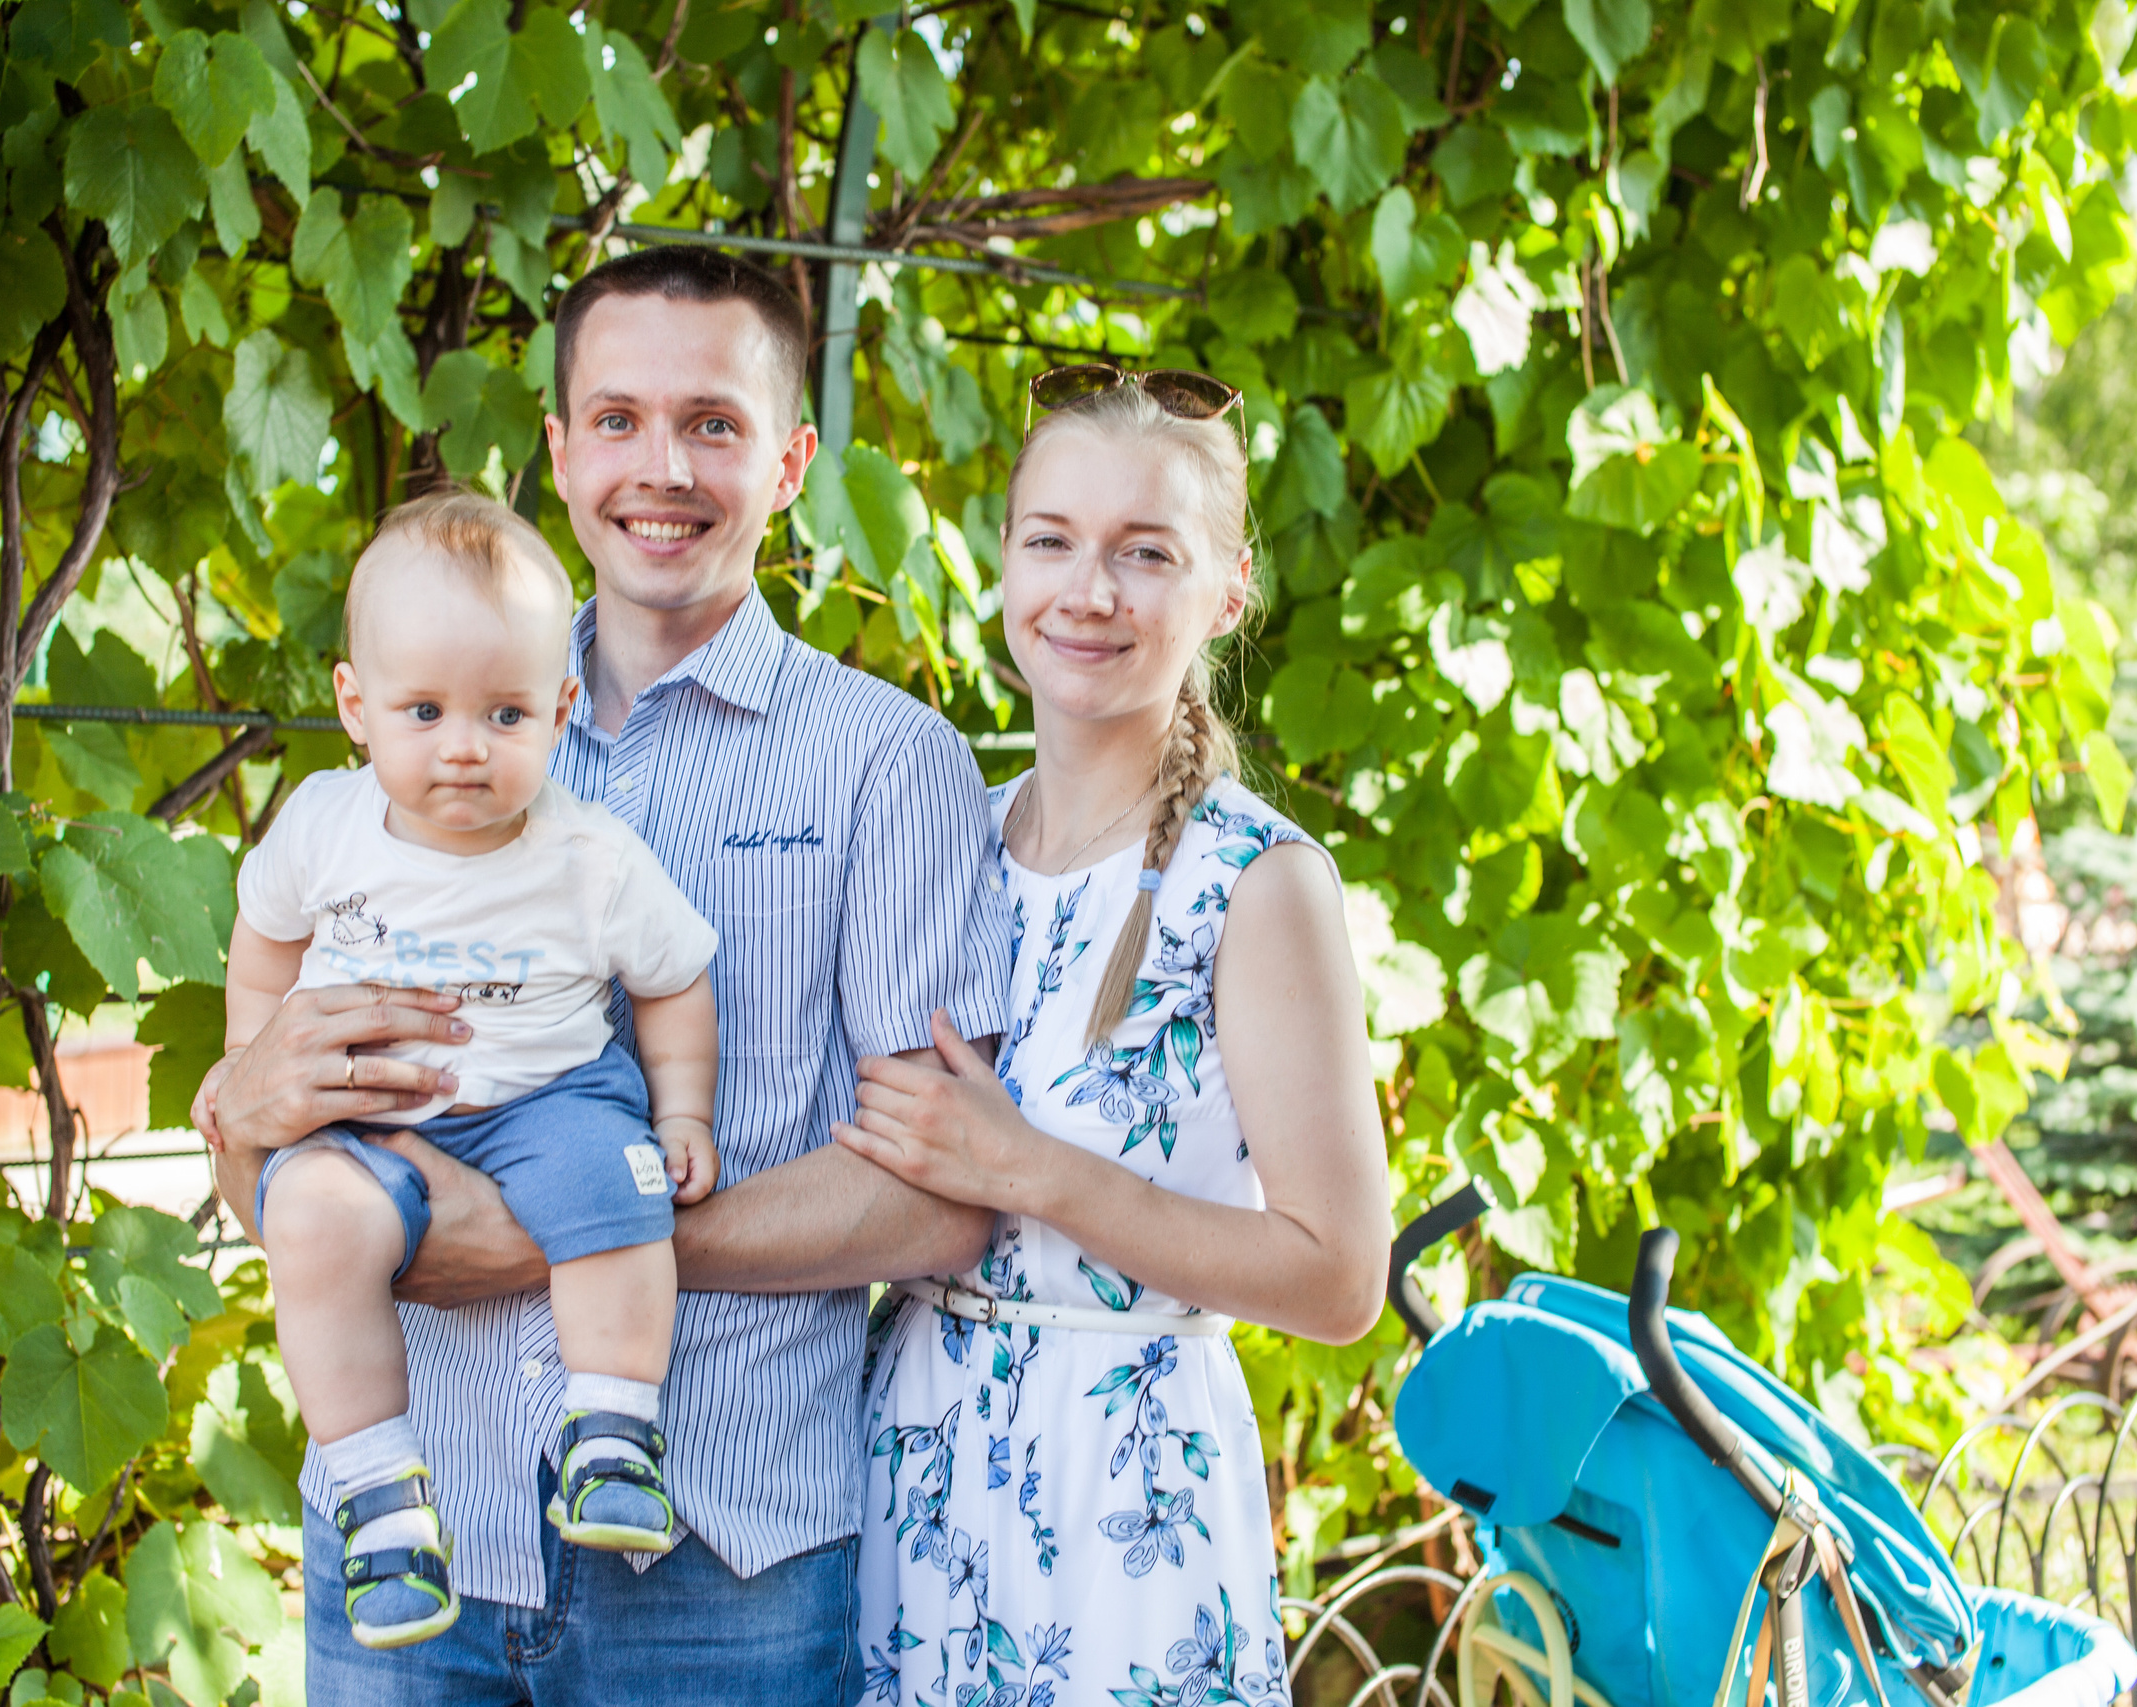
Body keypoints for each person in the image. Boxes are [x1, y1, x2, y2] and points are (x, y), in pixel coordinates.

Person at [194, 245, 1011, 1704]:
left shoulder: (889, 764)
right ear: (560, 451)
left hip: (725, 1553)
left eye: (714, 422)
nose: (664, 466)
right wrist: (239, 1095)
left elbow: (944, 1198)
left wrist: (565, 1229)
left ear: (791, 460)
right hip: (409, 1531)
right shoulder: (413, 734)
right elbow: (260, 1134)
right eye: (619, 418)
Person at [834, 372, 1394, 1706]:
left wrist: (1033, 1169)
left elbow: (1339, 1277)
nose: (1090, 590)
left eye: (1147, 552)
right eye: (1054, 539)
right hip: (915, 1465)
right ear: (1006, 553)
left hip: (1125, 1496)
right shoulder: (944, 832)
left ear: (1229, 589)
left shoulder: (1253, 880)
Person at [224, 493, 723, 1651]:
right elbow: (263, 936)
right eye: (424, 710)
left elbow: (674, 974)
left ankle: (612, 1434)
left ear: (559, 711)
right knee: (307, 1219)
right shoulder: (324, 827)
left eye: (505, 714)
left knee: (624, 1190)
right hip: (370, 1120)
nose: (464, 745)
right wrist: (254, 1059)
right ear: (356, 707)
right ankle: (378, 1491)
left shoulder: (588, 854)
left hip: (550, 1101)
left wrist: (684, 1105)